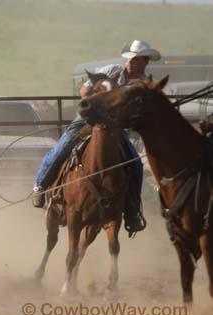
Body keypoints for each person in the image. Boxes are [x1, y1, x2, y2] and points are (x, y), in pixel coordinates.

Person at [33, 40, 162, 237]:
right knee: (63, 146)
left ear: (146, 63)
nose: (138, 64)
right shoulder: (111, 72)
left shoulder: (141, 83)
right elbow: (84, 90)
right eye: (135, 60)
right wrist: (92, 107)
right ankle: (40, 185)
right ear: (128, 59)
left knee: (135, 163)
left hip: (115, 127)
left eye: (142, 61)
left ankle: (132, 210)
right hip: (89, 118)